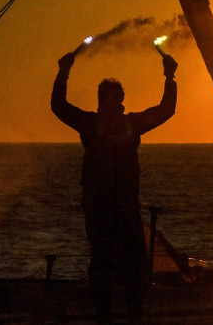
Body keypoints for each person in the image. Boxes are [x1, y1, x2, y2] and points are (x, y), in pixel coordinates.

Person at [51, 51, 178, 324]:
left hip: (125, 206)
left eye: (110, 99)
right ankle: (106, 315)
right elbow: (59, 106)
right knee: (102, 264)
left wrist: (170, 77)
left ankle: (133, 314)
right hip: (100, 207)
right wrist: (63, 73)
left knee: (132, 264)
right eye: (103, 100)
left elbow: (166, 109)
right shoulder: (92, 124)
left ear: (119, 100)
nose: (107, 105)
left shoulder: (131, 124)